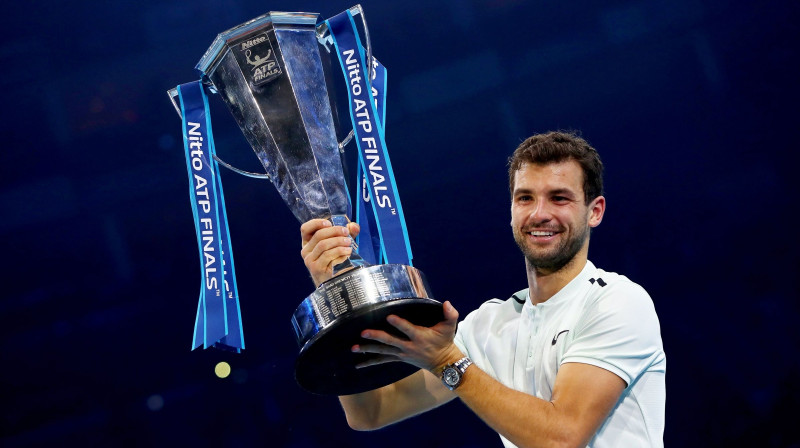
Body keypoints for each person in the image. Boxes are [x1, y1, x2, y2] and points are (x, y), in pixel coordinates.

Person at [300, 131, 666, 448]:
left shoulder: (618, 301)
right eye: (525, 198)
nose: (539, 213)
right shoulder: (491, 325)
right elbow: (371, 411)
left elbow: (560, 439)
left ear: (595, 211)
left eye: (559, 198)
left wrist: (446, 361)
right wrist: (336, 286)